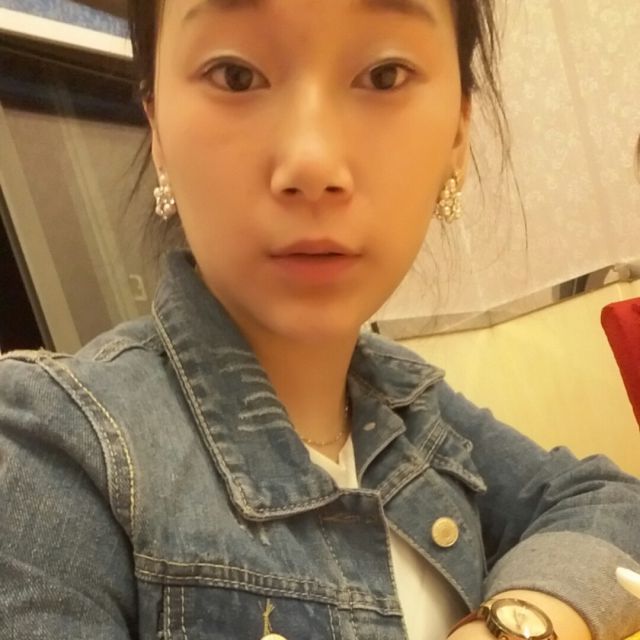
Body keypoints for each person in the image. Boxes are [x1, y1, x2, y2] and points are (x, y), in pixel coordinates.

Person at [1, 1, 640, 638]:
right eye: (235, 76)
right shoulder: (50, 448)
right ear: (158, 130)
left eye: (385, 75)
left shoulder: (409, 403)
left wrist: (516, 624)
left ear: (457, 134)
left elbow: (607, 502)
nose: (312, 165)